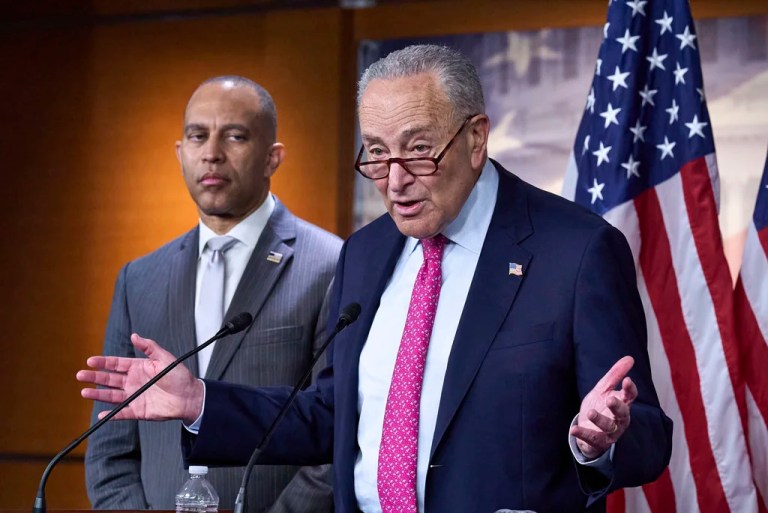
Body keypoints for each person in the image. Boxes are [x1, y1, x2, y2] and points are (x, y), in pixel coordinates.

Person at [79, 47, 673, 513]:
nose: (394, 180)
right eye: (376, 154)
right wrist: (203, 402)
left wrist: (601, 440)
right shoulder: (366, 253)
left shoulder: (576, 250)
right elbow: (330, 414)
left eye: (417, 151)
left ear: (475, 138)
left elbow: (647, 431)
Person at [84, 76, 340, 513]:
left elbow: (336, 433)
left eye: (235, 136)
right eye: (198, 135)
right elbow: (110, 450)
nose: (212, 153)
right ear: (180, 153)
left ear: (272, 158)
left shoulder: (331, 265)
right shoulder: (139, 278)